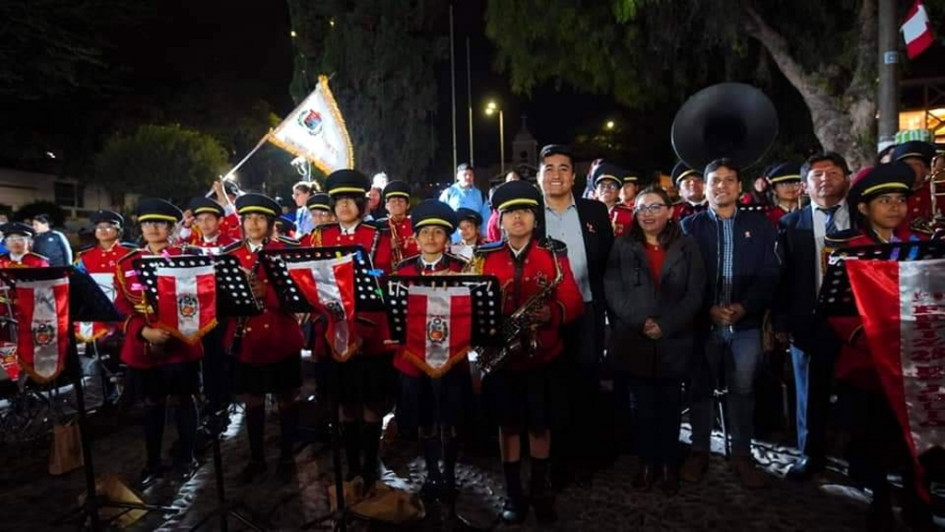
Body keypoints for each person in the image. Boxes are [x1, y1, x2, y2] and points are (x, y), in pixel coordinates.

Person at [468, 180, 584, 524]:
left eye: (524, 212)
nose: (517, 218)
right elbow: (469, 303)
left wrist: (554, 312)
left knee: (539, 426)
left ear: (535, 219)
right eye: (510, 213)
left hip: (544, 356)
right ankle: (513, 493)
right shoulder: (483, 257)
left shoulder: (554, 253)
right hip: (501, 360)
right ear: (499, 220)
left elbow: (575, 301)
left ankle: (539, 490)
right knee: (509, 426)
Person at [826, 162, 932, 528]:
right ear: (863, 208)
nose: (894, 207)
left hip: (916, 364)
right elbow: (837, 309)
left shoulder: (922, 246)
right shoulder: (848, 250)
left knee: (914, 438)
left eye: (900, 200)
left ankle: (917, 498)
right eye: (884, 200)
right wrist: (867, 338)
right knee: (871, 436)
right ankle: (880, 499)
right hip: (866, 364)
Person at [679, 158, 779, 489]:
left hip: (745, 325)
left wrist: (744, 306)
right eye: (715, 180)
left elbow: (770, 273)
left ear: (739, 187)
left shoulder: (762, 226)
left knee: (743, 389)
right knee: (700, 388)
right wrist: (706, 308)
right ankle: (699, 452)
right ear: (704, 188)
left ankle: (741, 455)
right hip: (701, 323)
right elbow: (682, 277)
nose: (722, 185)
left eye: (729, 179)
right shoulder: (689, 227)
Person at [604, 186, 705, 495]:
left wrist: (668, 324)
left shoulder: (687, 246)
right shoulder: (623, 245)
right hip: (635, 341)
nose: (648, 213)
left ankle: (667, 465)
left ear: (670, 211)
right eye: (642, 208)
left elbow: (696, 292)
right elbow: (613, 288)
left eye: (655, 207)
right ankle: (646, 463)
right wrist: (640, 321)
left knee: (670, 406)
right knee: (641, 407)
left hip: (674, 340)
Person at [305, 169, 394, 488]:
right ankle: (352, 464)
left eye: (349, 200)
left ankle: (370, 464)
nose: (343, 206)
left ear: (361, 202)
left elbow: (386, 286)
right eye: (338, 200)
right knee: (344, 404)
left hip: (370, 334)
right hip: (333, 333)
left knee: (370, 402)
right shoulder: (321, 237)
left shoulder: (379, 236)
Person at [537, 144, 614, 485]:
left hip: (587, 309)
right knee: (549, 386)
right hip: (542, 317)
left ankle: (584, 456)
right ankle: (552, 460)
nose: (556, 174)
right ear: (539, 175)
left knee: (585, 382)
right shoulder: (527, 212)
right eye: (549, 168)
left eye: (563, 168)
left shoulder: (595, 212)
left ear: (574, 175)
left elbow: (609, 262)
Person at [114, 199, 203, 487]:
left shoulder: (188, 257)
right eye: (146, 223)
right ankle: (152, 463)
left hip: (181, 343)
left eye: (160, 223)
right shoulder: (126, 263)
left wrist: (172, 330)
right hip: (144, 347)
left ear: (172, 227)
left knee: (184, 401)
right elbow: (121, 308)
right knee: (152, 405)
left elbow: (202, 300)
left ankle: (187, 458)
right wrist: (143, 332)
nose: (152, 228)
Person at [775, 152, 852, 481]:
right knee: (809, 392)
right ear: (804, 186)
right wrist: (780, 323)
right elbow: (781, 278)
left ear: (847, 178)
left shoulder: (863, 219)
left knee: (857, 391)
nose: (824, 179)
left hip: (857, 321)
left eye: (832, 172)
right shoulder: (790, 224)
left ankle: (862, 457)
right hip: (808, 320)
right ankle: (811, 454)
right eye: (816, 175)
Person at [223, 193, 305, 482]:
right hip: (248, 338)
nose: (253, 223)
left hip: (281, 336)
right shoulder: (230, 253)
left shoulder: (288, 250)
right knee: (253, 400)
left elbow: (301, 296)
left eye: (259, 218)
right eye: (247, 218)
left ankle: (286, 455)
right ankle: (256, 457)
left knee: (286, 398)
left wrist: (265, 293)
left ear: (270, 223)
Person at [392, 200, 469, 507]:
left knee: (450, 418)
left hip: (452, 357)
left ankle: (449, 473)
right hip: (415, 358)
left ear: (447, 238)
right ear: (415, 237)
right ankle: (432, 472)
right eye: (425, 232)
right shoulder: (403, 269)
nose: (432, 238)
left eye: (439, 232)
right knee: (424, 419)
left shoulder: (462, 269)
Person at [73, 210, 135, 402]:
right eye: (99, 227)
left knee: (124, 357)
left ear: (118, 230)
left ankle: (128, 395)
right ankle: (106, 396)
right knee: (97, 359)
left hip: (122, 313)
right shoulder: (84, 257)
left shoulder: (129, 255)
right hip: (96, 316)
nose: (103, 230)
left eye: (109, 226)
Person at [890, 140, 937, 236]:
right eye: (905, 165)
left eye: (916, 165)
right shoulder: (889, 195)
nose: (911, 169)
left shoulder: (938, 192)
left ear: (927, 170)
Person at [439, 163, 491, 241]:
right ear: (458, 176)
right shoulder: (449, 193)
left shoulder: (480, 195)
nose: (468, 177)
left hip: (474, 240)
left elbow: (486, 216)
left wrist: (485, 235)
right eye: (465, 174)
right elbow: (440, 214)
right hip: (454, 240)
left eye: (471, 175)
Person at [375, 181, 419, 265]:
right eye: (393, 201)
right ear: (386, 205)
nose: (397, 203)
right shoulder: (378, 226)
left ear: (408, 205)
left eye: (401, 200)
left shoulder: (416, 225)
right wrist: (388, 246)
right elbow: (372, 256)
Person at [592, 162, 634, 237]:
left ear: (618, 191)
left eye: (612, 186)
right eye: (602, 186)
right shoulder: (587, 213)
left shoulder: (629, 215)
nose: (606, 189)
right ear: (596, 191)